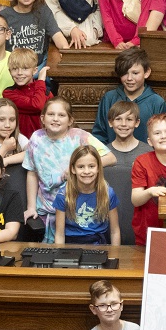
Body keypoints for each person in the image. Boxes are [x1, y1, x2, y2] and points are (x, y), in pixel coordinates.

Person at [24, 97, 116, 242]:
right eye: (51, 114)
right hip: (46, 210)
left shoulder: (79, 136)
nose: (55, 119)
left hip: (75, 210)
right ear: (42, 118)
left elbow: (111, 158)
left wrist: (77, 168)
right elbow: (32, 172)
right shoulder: (36, 139)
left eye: (61, 115)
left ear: (70, 120)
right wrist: (31, 207)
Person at [91, 46, 166, 145]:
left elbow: (162, 139)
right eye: (124, 73)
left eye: (135, 73)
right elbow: (99, 135)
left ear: (146, 72)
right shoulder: (109, 98)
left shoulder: (157, 102)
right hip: (112, 158)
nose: (129, 78)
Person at [131, 113, 166, 246]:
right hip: (147, 233)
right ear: (149, 141)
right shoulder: (141, 162)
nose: (163, 136)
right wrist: (150, 192)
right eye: (157, 133)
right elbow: (136, 200)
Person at [1, 0, 68, 74]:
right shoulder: (4, 16)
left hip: (38, 69)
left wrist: (66, 51)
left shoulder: (44, 11)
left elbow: (57, 36)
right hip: (13, 71)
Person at [54, 146, 120, 245]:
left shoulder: (108, 193)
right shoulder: (63, 195)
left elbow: (115, 231)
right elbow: (59, 234)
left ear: (98, 168)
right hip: (71, 244)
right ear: (73, 169)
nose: (86, 171)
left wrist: (115, 256)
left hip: (99, 242)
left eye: (91, 166)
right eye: (81, 167)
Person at [1, 47, 52, 140]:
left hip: (44, 143)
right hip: (18, 145)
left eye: (25, 68)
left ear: (35, 70)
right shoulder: (9, 93)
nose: (19, 73)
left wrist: (40, 84)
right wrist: (41, 80)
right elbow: (37, 105)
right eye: (15, 69)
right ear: (10, 71)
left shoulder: (45, 92)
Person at [105, 100, 152, 169]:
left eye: (129, 119)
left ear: (137, 123)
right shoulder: (104, 153)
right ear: (110, 122)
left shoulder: (148, 152)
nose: (123, 124)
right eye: (118, 119)